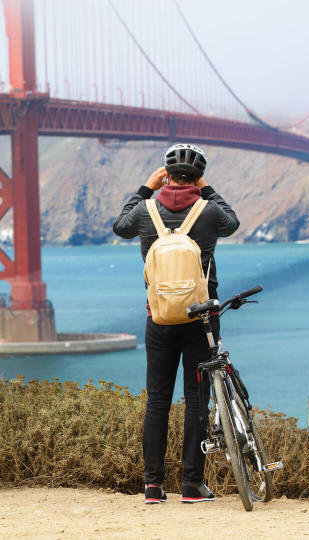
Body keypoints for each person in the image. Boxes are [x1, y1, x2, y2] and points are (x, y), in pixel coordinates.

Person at [112, 143, 239, 504]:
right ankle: (191, 485)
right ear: (197, 177)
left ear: (167, 174)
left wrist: (146, 188)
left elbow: (120, 226)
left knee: (158, 402)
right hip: (202, 319)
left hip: (159, 317)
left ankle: (153, 486)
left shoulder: (144, 211)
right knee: (198, 401)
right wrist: (207, 188)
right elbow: (233, 222)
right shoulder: (210, 211)